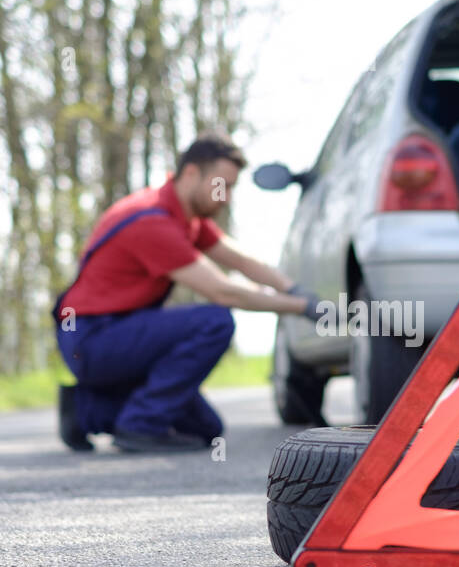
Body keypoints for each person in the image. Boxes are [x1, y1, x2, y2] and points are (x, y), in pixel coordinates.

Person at [53, 132, 321, 453]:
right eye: (222, 185)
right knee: (215, 321)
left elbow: (239, 260)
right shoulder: (151, 220)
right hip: (94, 337)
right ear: (192, 173)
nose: (226, 197)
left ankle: (85, 410)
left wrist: (293, 289)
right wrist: (301, 306)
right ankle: (139, 425)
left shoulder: (183, 215)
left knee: (206, 429)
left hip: (121, 334)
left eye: (232, 187)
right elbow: (224, 292)